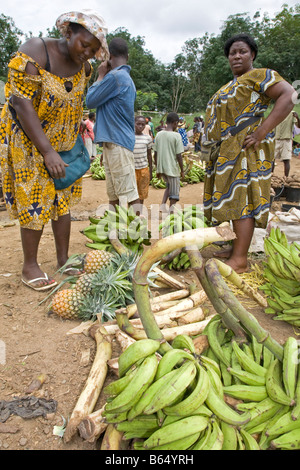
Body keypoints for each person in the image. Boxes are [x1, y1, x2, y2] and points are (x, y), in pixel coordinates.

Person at [0, 9, 109, 291]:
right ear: (69, 32)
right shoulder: (36, 51)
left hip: (62, 144)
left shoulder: (84, 68)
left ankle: (63, 258)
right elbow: (20, 102)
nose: (87, 53)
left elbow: (73, 106)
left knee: (62, 198)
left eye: (94, 50)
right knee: (34, 197)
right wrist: (47, 151)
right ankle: (30, 265)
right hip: (28, 138)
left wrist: (67, 146)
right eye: (85, 44)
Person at [203, 33, 296, 273]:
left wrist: (262, 131)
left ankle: (241, 258)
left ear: (252, 54)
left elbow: (289, 96)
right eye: (232, 53)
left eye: (242, 51)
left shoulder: (260, 75)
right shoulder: (233, 83)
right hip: (228, 150)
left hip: (247, 147)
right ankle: (235, 249)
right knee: (234, 200)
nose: (236, 56)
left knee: (243, 199)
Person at [85, 37, 139, 209]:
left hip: (118, 144)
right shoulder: (125, 78)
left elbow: (90, 100)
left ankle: (139, 233)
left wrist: (100, 75)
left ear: (109, 55)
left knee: (129, 197)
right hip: (115, 144)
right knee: (115, 196)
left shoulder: (115, 77)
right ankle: (115, 233)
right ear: (127, 57)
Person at [153, 112, 185, 212]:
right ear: (175, 123)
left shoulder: (158, 135)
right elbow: (179, 155)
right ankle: (171, 213)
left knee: (169, 186)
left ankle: (162, 204)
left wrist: (158, 168)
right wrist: (182, 170)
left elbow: (155, 153)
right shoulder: (176, 136)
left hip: (162, 168)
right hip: (172, 169)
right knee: (174, 193)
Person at [133, 115, 153, 210]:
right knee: (132, 192)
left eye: (143, 124)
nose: (140, 126)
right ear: (134, 124)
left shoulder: (148, 138)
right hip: (132, 169)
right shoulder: (130, 137)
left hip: (144, 169)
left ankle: (139, 211)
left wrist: (151, 170)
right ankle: (132, 211)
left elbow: (149, 155)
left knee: (142, 192)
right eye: (138, 124)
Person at [274, 110, 300, 177]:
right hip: (276, 139)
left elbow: (299, 126)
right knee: (272, 159)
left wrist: (297, 118)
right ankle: (271, 176)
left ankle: (286, 178)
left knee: (286, 160)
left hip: (286, 139)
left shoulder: (292, 114)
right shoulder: (277, 112)